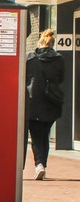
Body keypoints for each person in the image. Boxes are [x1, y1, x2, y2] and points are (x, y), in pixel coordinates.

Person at [25, 29, 65, 180]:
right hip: (51, 102)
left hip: (33, 101)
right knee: (45, 135)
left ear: (40, 41)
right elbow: (61, 78)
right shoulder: (59, 59)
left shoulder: (30, 58)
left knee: (36, 136)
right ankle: (42, 165)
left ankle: (39, 164)